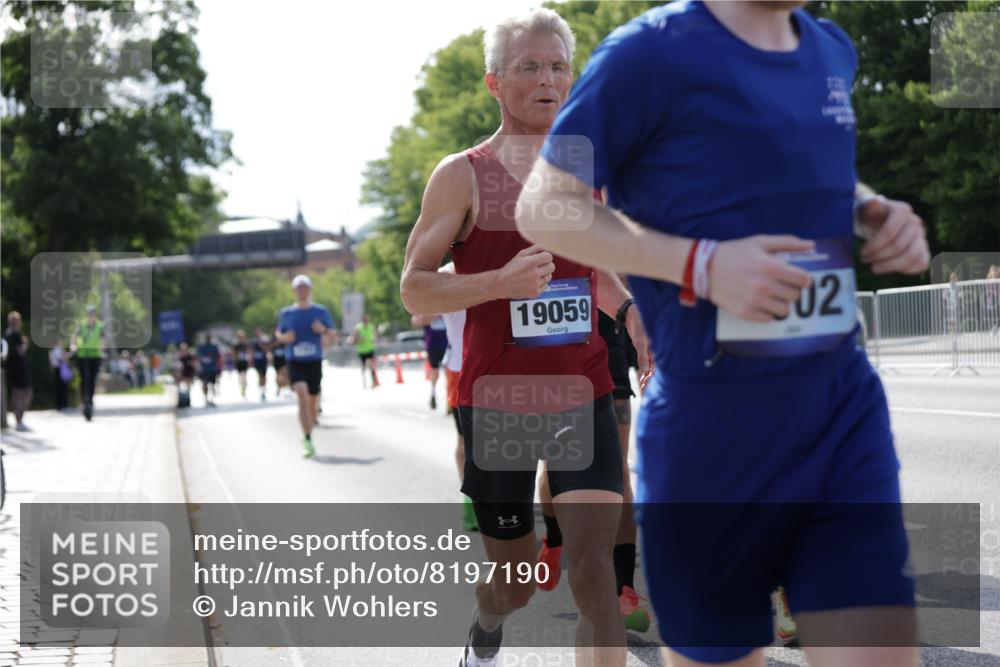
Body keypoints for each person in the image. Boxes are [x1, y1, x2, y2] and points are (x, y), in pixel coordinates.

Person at [516, 2, 931, 665]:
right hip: (713, 432)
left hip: (841, 413)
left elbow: (800, 161)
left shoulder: (829, 48)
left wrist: (867, 209)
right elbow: (543, 203)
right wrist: (700, 265)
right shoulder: (645, 55)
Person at [399, 10, 650, 667]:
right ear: (494, 83)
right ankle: (486, 627)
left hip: (582, 390)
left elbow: (593, 271)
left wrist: (630, 315)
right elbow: (415, 288)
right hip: (499, 399)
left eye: (559, 66)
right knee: (513, 582)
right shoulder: (462, 175)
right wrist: (497, 283)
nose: (548, 79)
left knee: (595, 567)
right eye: (529, 67)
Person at [535, 308, 650, 633]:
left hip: (606, 351)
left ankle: (623, 588)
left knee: (620, 475)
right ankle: (554, 538)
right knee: (555, 463)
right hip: (555, 355)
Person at [275, 274, 335, 458]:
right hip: (295, 361)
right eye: (299, 288)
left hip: (314, 361)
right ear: (294, 291)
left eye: (305, 287)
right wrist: (286, 338)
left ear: (310, 289)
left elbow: (332, 334)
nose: (302, 290)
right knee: (301, 393)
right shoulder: (286, 313)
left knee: (311, 402)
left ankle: (309, 429)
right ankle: (307, 439)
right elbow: (278, 333)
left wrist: (322, 330)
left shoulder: (321, 311)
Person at [437, 262, 476, 532]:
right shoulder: (445, 274)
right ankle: (469, 499)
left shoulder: (491, 261)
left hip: (494, 364)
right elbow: (420, 314)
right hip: (458, 369)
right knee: (465, 441)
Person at [71, 305, 104, 421]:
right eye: (89, 314)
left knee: (92, 379)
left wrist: (102, 349)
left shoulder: (100, 326)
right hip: (82, 355)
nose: (91, 317)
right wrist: (73, 346)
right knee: (83, 379)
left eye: (93, 314)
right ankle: (84, 401)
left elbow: (104, 339)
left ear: (95, 315)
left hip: (95, 356)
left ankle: (90, 400)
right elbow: (74, 337)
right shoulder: (82, 325)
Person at [3, 312, 32, 431]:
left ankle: (18, 420)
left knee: (16, 394)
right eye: (19, 321)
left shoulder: (5, 334)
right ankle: (19, 420)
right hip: (19, 369)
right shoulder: (15, 335)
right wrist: (25, 343)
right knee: (26, 393)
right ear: (15, 322)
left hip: (9, 368)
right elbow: (20, 351)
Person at [413, 314, 448, 409]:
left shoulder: (446, 306)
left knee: (448, 372)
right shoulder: (427, 307)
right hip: (432, 345)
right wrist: (430, 316)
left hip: (446, 344)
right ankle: (433, 392)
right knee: (435, 373)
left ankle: (450, 400)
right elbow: (415, 321)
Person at [351, 314, 379, 389]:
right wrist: (359, 340)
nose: (366, 321)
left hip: (370, 349)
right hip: (362, 351)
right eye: (365, 319)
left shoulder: (371, 326)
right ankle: (365, 383)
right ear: (362, 320)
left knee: (372, 366)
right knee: (364, 367)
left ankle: (373, 383)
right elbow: (353, 340)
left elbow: (375, 336)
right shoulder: (358, 328)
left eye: (367, 319)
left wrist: (375, 338)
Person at [195, 334, 221, 407]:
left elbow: (218, 357)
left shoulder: (214, 347)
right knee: (205, 384)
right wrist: (198, 367)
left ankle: (212, 399)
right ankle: (206, 399)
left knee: (213, 385)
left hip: (212, 369)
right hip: (204, 369)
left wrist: (218, 367)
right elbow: (198, 357)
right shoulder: (201, 347)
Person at [49, 337, 71, 412]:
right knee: (59, 388)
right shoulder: (54, 351)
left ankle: (62, 405)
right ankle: (60, 405)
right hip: (57, 370)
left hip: (60, 370)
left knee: (62, 388)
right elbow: (53, 362)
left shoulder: (59, 350)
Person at [270, 319, 290, 398]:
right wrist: (275, 343)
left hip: (284, 358)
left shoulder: (284, 335)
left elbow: (288, 345)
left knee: (285, 373)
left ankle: (287, 389)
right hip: (276, 359)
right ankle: (279, 388)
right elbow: (268, 348)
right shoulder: (273, 337)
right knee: (278, 375)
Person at [250, 327, 270, 401]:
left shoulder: (264, 340)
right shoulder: (253, 342)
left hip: (263, 360)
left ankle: (264, 389)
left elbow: (266, 349)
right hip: (257, 361)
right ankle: (261, 391)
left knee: (264, 376)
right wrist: (251, 360)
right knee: (259, 375)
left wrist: (260, 343)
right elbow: (251, 351)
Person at [232, 330, 250, 398]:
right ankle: (242, 387)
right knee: (240, 376)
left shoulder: (246, 344)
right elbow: (234, 353)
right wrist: (235, 361)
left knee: (244, 376)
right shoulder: (236, 345)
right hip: (239, 362)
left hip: (244, 362)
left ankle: (244, 389)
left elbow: (248, 352)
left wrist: (249, 360)